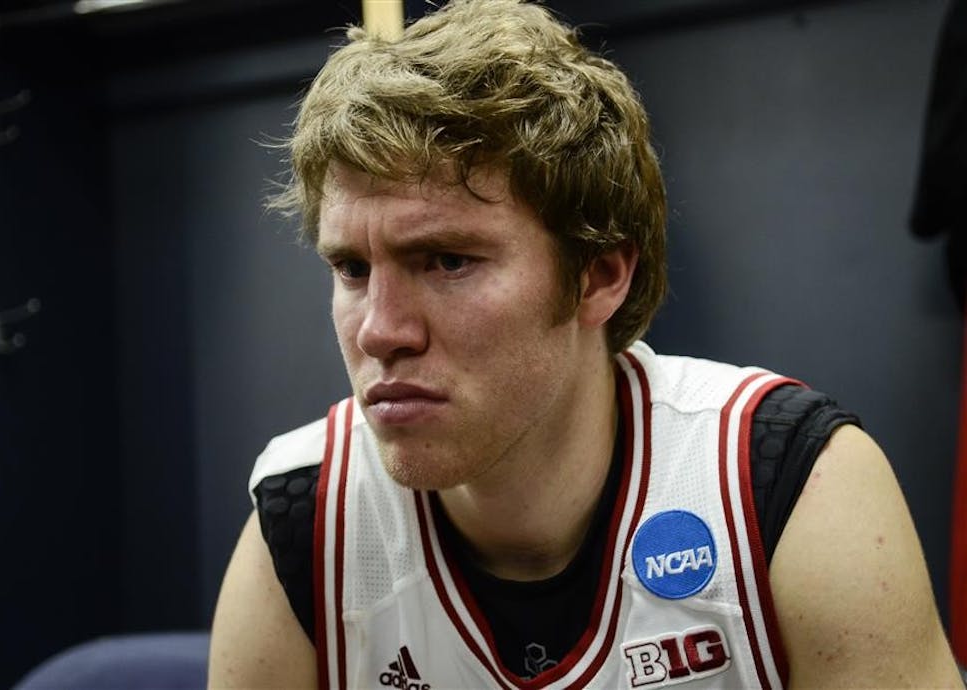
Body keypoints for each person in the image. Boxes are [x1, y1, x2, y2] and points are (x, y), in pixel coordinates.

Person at [208, 1, 963, 687]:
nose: (380, 330)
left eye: (447, 261)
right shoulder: (307, 518)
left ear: (599, 276)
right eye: (351, 268)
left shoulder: (789, 485)